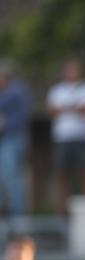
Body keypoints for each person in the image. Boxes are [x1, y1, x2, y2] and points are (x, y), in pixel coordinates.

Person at [47, 59, 85, 215]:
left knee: (84, 172)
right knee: (61, 173)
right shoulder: (57, 90)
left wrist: (64, 108)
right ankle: (62, 211)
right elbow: (52, 111)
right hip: (62, 138)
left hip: (82, 137)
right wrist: (75, 107)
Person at [0, 60, 31, 219]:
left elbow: (18, 118)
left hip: (12, 139)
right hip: (5, 139)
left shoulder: (16, 91)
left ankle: (17, 216)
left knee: (11, 177)